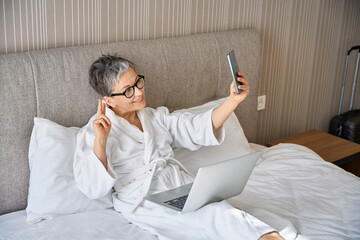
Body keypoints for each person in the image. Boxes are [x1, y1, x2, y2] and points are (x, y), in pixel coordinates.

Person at [73, 54, 285, 240]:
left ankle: (265, 235)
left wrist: (233, 101)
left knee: (221, 210)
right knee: (214, 216)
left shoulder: (155, 117)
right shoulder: (94, 132)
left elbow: (195, 126)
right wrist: (101, 140)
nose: (138, 92)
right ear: (109, 101)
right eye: (128, 91)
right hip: (144, 198)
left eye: (138, 82)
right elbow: (92, 188)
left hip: (179, 186)